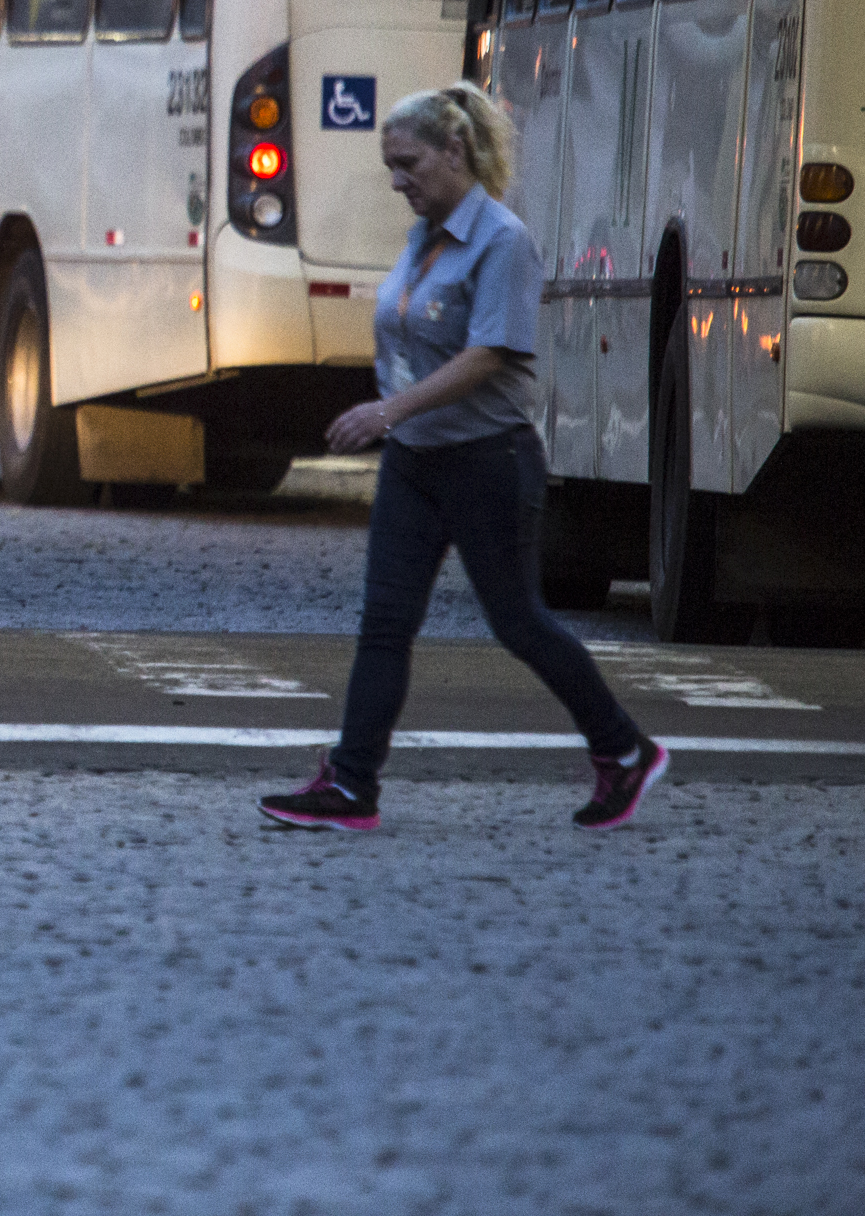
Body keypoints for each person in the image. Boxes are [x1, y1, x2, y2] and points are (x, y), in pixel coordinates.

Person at [260, 82, 667, 832]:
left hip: (488, 461)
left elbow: (488, 355)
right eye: (390, 166)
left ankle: (624, 748)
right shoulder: (425, 235)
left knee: (518, 621)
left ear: (455, 150)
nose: (397, 181)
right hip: (415, 462)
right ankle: (351, 785)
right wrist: (395, 415)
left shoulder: (503, 240)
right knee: (385, 622)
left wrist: (387, 411)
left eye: (408, 164)